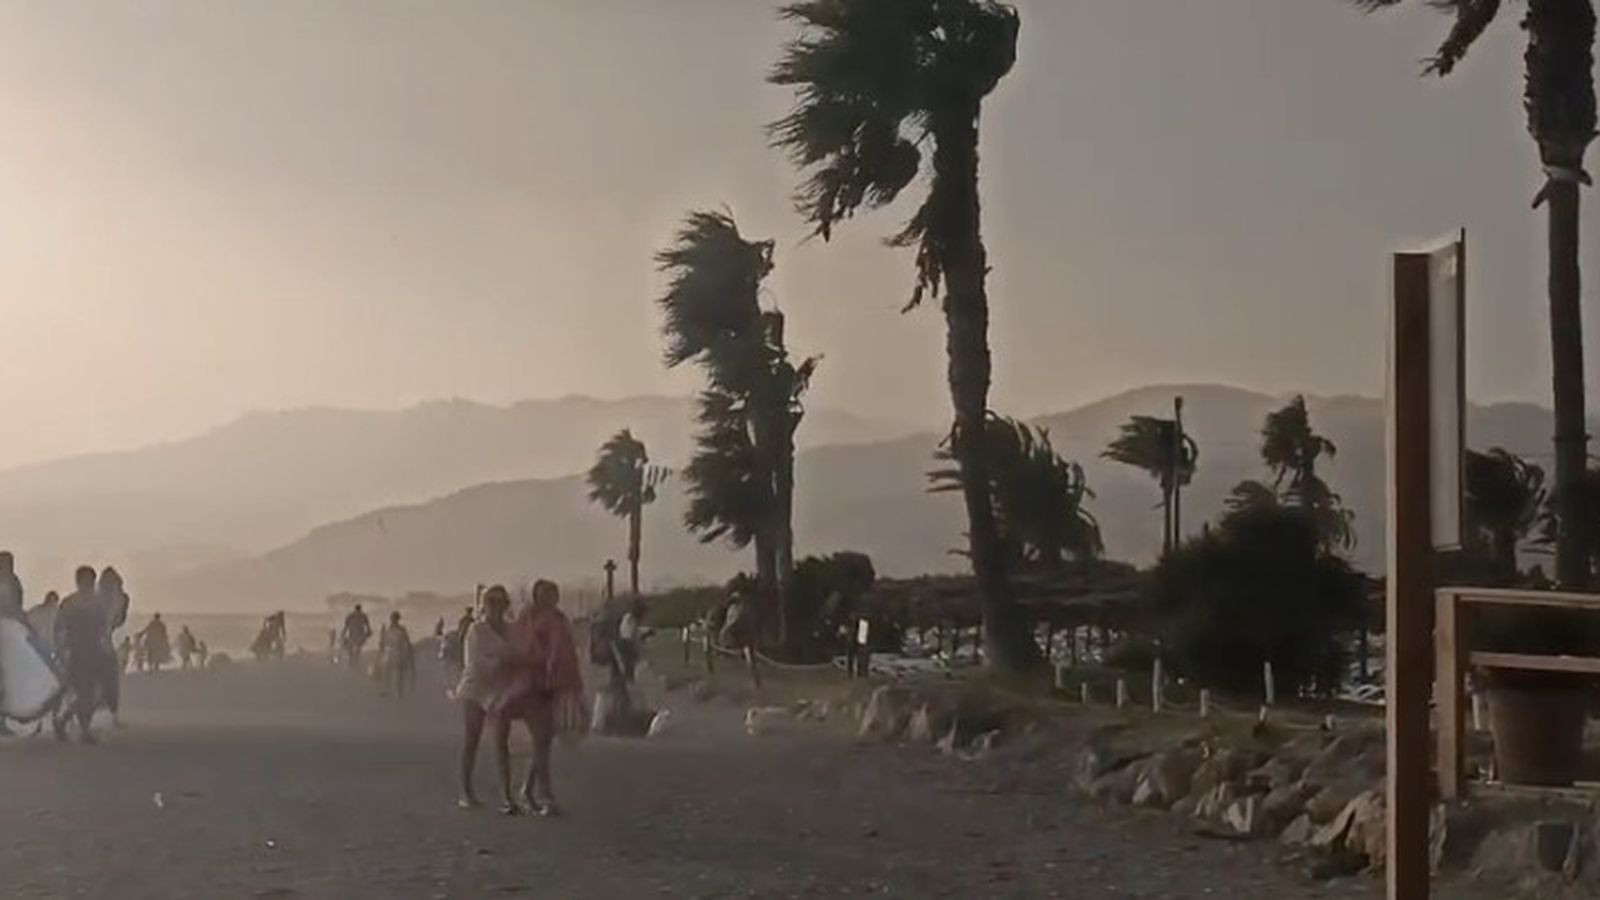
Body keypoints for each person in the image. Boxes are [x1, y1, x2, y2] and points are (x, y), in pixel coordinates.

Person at [493, 579, 585, 817]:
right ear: (538, 596)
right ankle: (545, 796)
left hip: (552, 685)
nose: (552, 599)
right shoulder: (530, 618)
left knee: (543, 743)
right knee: (540, 741)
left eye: (554, 594)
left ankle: (529, 791)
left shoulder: (557, 619)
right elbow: (522, 649)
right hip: (532, 686)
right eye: (547, 594)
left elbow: (565, 654)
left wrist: (569, 683)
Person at [455, 586, 513, 811]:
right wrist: (502, 663)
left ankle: (507, 795)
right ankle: (466, 792)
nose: (496, 608)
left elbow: (517, 653)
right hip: (474, 689)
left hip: (500, 690)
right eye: (492, 603)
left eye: (501, 604)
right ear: (485, 606)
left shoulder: (510, 630)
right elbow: (475, 662)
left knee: (501, 743)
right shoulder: (476, 630)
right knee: (472, 740)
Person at [52, 566, 112, 743]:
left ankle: (65, 721)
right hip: (79, 651)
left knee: (92, 692)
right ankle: (82, 729)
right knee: (85, 692)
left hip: (90, 650)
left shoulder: (86, 602)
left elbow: (104, 628)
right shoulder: (76, 602)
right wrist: (59, 647)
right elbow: (58, 626)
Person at [96, 567, 130, 727]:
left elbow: (116, 621)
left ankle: (109, 714)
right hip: (99, 645)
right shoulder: (103, 600)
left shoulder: (97, 598)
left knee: (102, 683)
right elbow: (116, 622)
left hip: (99, 644)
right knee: (106, 682)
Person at [378, 611, 414, 698]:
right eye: (393, 618)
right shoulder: (389, 629)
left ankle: (398, 691)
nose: (393, 620)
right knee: (387, 672)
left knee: (398, 672)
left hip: (398, 652)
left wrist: (409, 651)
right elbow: (383, 642)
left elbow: (407, 641)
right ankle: (387, 690)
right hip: (390, 652)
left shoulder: (401, 629)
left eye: (394, 618)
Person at [341, 604, 372, 669]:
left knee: (355, 649)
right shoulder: (354, 616)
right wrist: (343, 634)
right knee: (353, 649)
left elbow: (367, 625)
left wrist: (343, 633)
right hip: (355, 635)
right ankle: (353, 661)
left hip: (358, 635)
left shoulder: (361, 616)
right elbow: (346, 625)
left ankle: (354, 661)